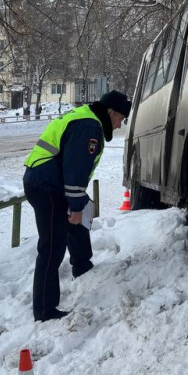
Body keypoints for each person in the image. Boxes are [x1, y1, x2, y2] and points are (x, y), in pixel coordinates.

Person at [22, 90, 131, 322]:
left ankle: (82, 265)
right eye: (120, 119)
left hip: (49, 181)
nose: (120, 125)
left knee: (83, 212)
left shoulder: (87, 118)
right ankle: (44, 310)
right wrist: (75, 206)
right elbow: (74, 170)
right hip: (47, 186)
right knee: (52, 246)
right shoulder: (89, 126)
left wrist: (79, 205)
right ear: (110, 112)